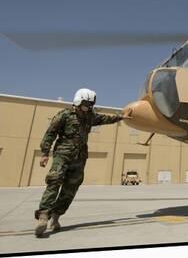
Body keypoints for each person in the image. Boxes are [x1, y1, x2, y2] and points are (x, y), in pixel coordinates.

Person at [34, 88, 129, 237]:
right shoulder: (64, 115)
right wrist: (45, 153)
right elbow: (50, 133)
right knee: (54, 181)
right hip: (63, 155)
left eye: (91, 104)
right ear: (78, 101)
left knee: (70, 188)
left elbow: (105, 119)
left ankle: (56, 217)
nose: (89, 107)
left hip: (80, 157)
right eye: (87, 104)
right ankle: (43, 216)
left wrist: (121, 117)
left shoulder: (90, 116)